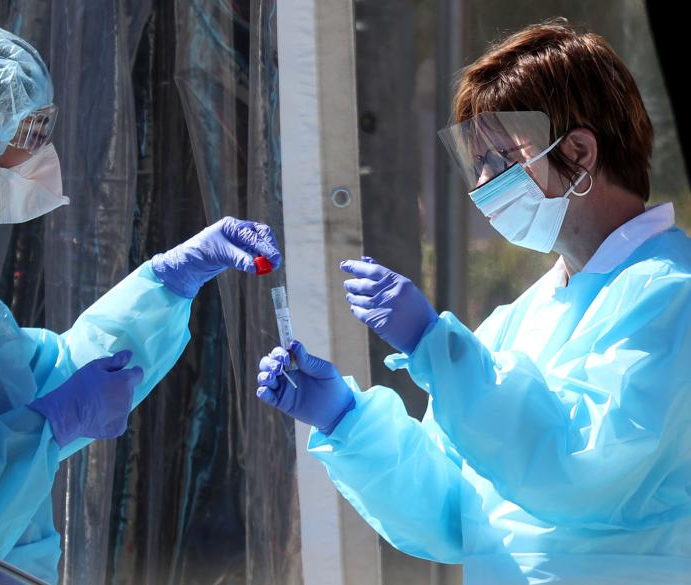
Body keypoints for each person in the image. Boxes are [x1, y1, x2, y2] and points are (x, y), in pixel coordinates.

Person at [0, 18, 281, 584]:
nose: (43, 155)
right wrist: (49, 426)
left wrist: (169, 281)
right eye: (29, 132)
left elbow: (36, 380)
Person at [257, 18, 690, 585]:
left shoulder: (671, 293)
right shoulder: (519, 319)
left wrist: (436, 347)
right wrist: (346, 420)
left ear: (580, 151)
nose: (484, 181)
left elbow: (580, 469)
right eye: (476, 162)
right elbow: (450, 516)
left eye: (502, 157)